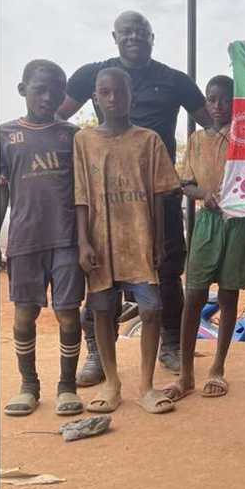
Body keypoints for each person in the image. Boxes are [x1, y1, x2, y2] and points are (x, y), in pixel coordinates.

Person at [58, 10, 214, 381]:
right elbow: (57, 119)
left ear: (152, 37)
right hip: (105, 201)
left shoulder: (174, 80)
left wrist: (203, 177)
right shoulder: (92, 75)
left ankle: (170, 345)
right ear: (114, 37)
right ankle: (98, 354)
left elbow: (212, 125)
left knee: (168, 271)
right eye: (126, 32)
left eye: (141, 31)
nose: (134, 37)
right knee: (101, 276)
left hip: (159, 196)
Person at [73, 67, 181, 414]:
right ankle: (112, 383)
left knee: (151, 309)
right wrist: (83, 242)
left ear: (132, 96)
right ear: (95, 97)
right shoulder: (84, 141)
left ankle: (146, 386)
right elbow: (80, 196)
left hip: (139, 239)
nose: (113, 99)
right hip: (101, 242)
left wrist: (159, 241)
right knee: (102, 311)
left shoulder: (148, 140)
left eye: (120, 92)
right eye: (105, 92)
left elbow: (162, 194)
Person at [162, 75, 245, 403]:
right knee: (194, 296)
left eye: (226, 100)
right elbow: (185, 184)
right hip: (206, 223)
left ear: (236, 104)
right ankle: (186, 374)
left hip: (238, 222)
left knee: (228, 297)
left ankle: (217, 367)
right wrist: (204, 194)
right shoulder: (197, 140)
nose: (218, 106)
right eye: (212, 99)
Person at [0, 60, 85, 416]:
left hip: (66, 240)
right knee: (24, 315)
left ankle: (67, 387)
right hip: (24, 241)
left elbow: (83, 193)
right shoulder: (5, 135)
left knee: (68, 314)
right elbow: (2, 192)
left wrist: (86, 240)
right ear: (23, 90)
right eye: (39, 89)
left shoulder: (73, 135)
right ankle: (28, 386)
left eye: (56, 91)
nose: (48, 97)